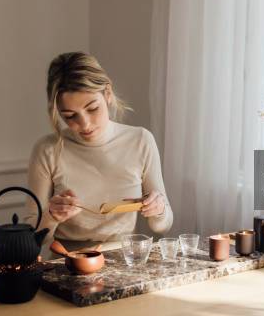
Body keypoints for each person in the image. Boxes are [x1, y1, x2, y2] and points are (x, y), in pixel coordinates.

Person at [24, 52, 173, 252]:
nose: (84, 124)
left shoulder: (141, 141)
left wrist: (159, 208)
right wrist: (51, 216)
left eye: (92, 108)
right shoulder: (47, 150)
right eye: (69, 116)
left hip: (124, 258)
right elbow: (31, 239)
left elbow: (162, 225)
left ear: (108, 93)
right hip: (67, 262)